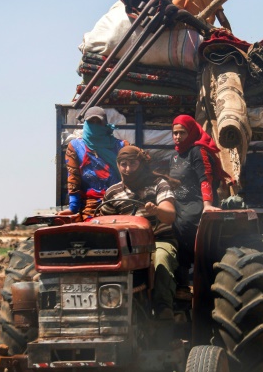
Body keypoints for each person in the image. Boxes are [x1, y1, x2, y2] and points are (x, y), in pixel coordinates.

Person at [101, 146, 178, 319]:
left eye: (133, 164)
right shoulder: (112, 193)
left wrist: (157, 210)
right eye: (123, 164)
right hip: (126, 247)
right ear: (118, 165)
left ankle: (163, 311)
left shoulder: (158, 184)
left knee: (161, 260)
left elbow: (170, 215)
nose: (128, 169)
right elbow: (105, 223)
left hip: (158, 240)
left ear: (141, 164)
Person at [169, 114, 228, 268]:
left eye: (182, 133)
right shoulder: (174, 156)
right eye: (175, 133)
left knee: (189, 225)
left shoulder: (197, 151)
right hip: (179, 205)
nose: (178, 137)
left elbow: (205, 178)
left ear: (191, 133)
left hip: (196, 204)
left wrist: (207, 205)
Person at [65, 106, 128, 218]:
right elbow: (73, 178)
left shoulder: (121, 146)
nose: (94, 125)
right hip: (90, 206)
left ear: (105, 124)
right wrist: (73, 207)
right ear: (85, 124)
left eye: (98, 122)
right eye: (91, 122)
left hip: (120, 203)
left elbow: (136, 172)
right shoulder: (75, 147)